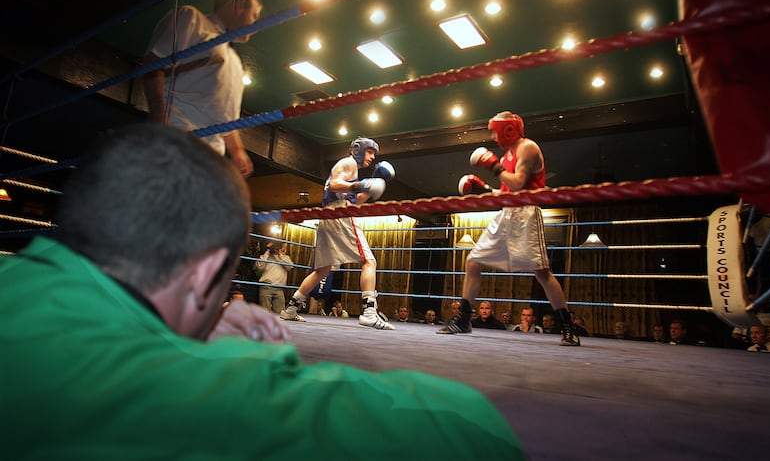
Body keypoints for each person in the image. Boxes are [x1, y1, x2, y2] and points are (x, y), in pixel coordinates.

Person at [0, 124, 523, 459]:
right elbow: (474, 430)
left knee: (320, 271)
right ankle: (365, 310)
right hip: (337, 217)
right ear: (206, 276)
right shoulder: (178, 394)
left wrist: (183, 329)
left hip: (323, 225)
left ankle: (298, 304)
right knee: (366, 262)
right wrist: (218, 360)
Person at [438, 111, 580, 346]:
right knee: (473, 261)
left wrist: (492, 166)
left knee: (542, 272)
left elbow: (519, 183)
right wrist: (482, 188)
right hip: (506, 213)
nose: (493, 136)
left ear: (509, 129)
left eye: (495, 131)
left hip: (526, 213)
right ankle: (463, 320)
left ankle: (568, 328)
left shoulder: (527, 148)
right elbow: (506, 192)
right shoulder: (506, 158)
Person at [143, 0, 263, 178]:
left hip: (212, 157)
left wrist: (237, 151)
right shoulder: (192, 18)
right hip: (176, 134)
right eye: (254, 15)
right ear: (239, 5)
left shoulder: (235, 62)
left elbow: (226, 118)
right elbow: (153, 63)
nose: (256, 25)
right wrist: (158, 114)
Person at [280, 137, 397, 330]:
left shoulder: (354, 170)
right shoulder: (348, 162)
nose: (373, 156)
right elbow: (334, 184)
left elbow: (356, 201)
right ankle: (369, 312)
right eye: (370, 152)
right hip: (340, 214)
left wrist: (373, 183)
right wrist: (360, 185)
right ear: (359, 149)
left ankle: (290, 309)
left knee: (322, 270)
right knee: (369, 261)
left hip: (329, 217)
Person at [254, 240, 293, 313]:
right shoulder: (266, 256)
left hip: (279, 288)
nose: (284, 247)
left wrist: (280, 255)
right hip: (266, 286)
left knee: (280, 312)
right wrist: (267, 251)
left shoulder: (286, 257)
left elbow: (290, 267)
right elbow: (260, 267)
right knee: (264, 312)